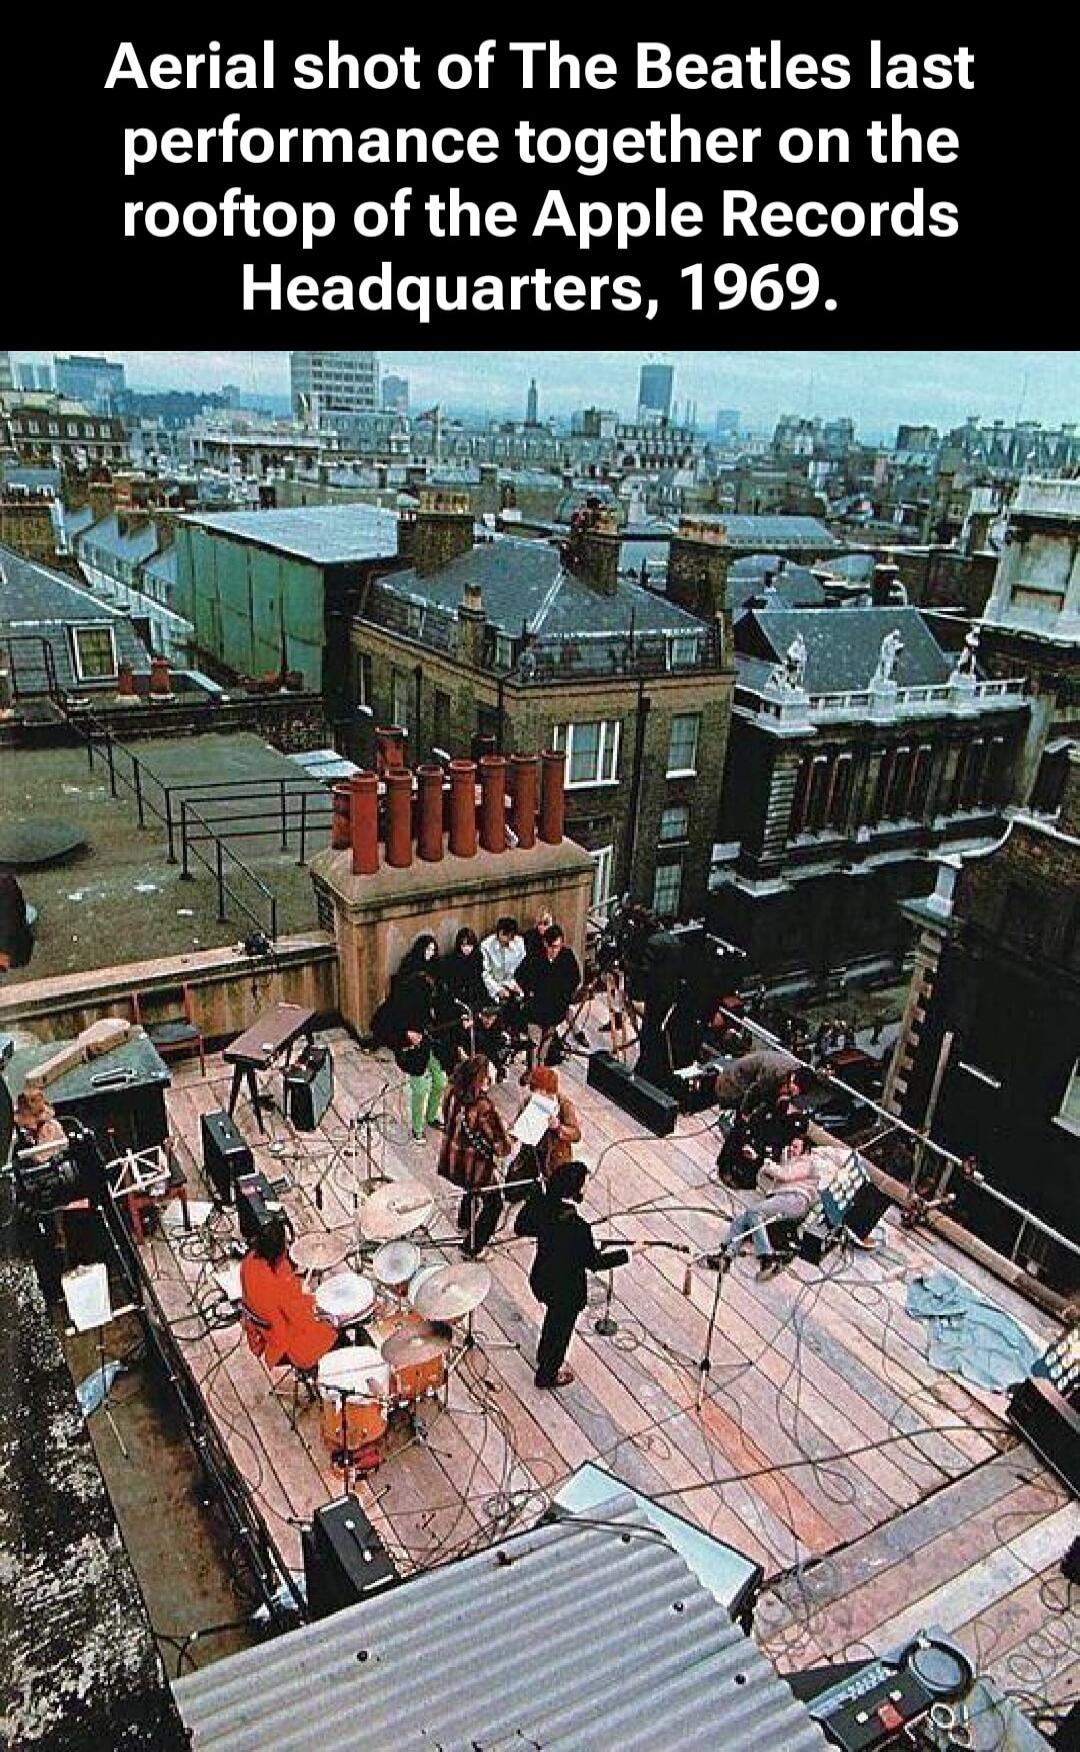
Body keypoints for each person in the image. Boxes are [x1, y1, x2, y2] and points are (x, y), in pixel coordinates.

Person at [514, 1160, 634, 1389]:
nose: (586, 1189)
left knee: (552, 1321)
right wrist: (628, 1253)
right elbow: (595, 1262)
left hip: (543, 1278)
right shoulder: (578, 1227)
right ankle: (547, 1374)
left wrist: (533, 1199)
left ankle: (543, 1355)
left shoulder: (544, 1205)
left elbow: (522, 1227)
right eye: (584, 1185)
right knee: (561, 1332)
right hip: (566, 1290)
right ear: (574, 1190)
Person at [706, 1135, 819, 1281]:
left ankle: (767, 1257)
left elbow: (785, 1175)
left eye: (796, 1147)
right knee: (742, 1220)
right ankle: (726, 1257)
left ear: (806, 1151)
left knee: (754, 1212)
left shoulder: (807, 1163)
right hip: (782, 1197)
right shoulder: (788, 1159)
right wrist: (759, 1158)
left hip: (795, 1199)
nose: (792, 1149)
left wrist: (762, 1161)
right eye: (791, 1145)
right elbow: (768, 1176)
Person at [240, 1215, 340, 1369]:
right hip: (283, 1338)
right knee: (333, 1326)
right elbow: (300, 1318)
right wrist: (311, 1298)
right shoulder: (279, 1287)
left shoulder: (249, 1261)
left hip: (264, 1327)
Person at [437, 1053, 512, 1256]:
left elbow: (447, 1117)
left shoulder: (452, 1092)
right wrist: (509, 1138)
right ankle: (472, 1247)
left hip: (453, 1158)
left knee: (468, 1190)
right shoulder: (483, 1107)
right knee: (494, 1203)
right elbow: (501, 1147)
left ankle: (463, 1221)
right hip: (475, 1165)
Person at [388, 934, 448, 1143]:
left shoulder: (435, 977)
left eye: (433, 951)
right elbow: (394, 1014)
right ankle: (417, 1127)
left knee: (440, 1081)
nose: (431, 955)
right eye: (428, 950)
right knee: (420, 1087)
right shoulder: (406, 982)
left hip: (429, 1037)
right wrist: (407, 1033)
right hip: (411, 1041)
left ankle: (431, 1116)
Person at [505, 1064, 582, 1201]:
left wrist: (558, 1127)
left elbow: (576, 1134)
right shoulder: (529, 1101)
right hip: (531, 1152)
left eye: (538, 1090)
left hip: (553, 1157)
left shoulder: (564, 1105)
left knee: (545, 1195)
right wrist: (510, 1135)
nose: (534, 1093)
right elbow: (517, 1125)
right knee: (512, 1189)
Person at [439, 927, 510, 1073]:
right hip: (460, 1005)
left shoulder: (477, 959)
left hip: (476, 1001)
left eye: (469, 945)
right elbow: (451, 992)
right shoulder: (452, 962)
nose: (467, 949)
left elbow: (480, 986)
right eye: (464, 945)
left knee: (495, 1016)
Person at [518, 923, 581, 1075]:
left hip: (555, 1008)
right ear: (545, 944)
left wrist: (564, 995)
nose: (556, 951)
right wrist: (529, 992)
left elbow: (575, 978)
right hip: (536, 1009)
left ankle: (541, 1067)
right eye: (553, 947)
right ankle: (533, 1071)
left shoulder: (567, 956)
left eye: (558, 946)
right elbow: (520, 974)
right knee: (534, 1042)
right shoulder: (535, 956)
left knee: (546, 1041)